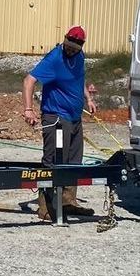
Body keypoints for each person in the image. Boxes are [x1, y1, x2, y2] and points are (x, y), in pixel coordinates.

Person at [22, 26, 98, 221]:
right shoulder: (54, 58)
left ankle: (67, 202)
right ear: (64, 41)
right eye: (68, 46)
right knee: (53, 161)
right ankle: (46, 206)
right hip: (55, 117)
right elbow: (29, 81)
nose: (70, 51)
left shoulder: (79, 57)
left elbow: (78, 79)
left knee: (74, 161)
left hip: (74, 118)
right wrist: (28, 109)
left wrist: (88, 99)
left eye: (74, 48)